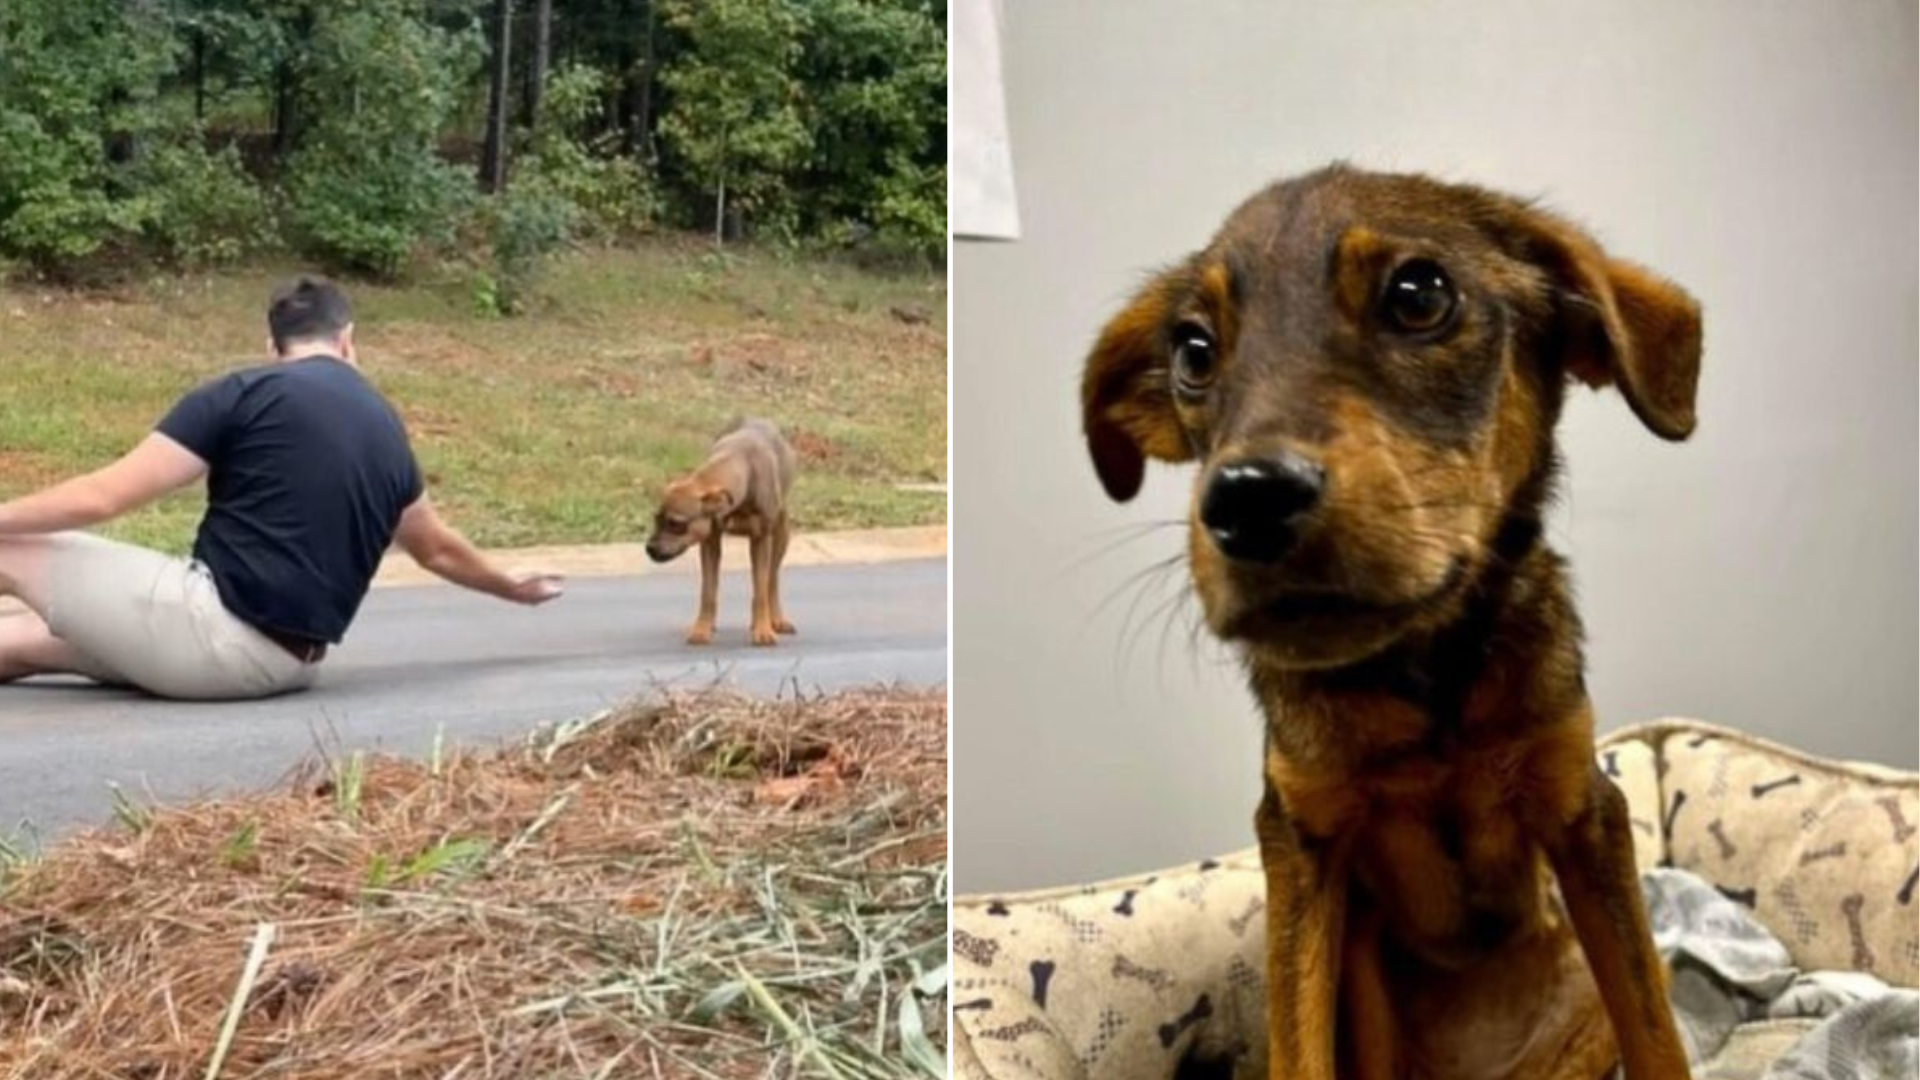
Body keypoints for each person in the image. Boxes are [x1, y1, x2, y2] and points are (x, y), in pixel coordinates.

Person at [0, 276, 563, 700]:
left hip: (211, 632)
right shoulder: (387, 428)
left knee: (11, 546)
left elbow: (105, 497)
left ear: (272, 348)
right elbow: (433, 546)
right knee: (22, 641)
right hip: (284, 666)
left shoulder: (244, 392)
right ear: (348, 341)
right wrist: (507, 586)